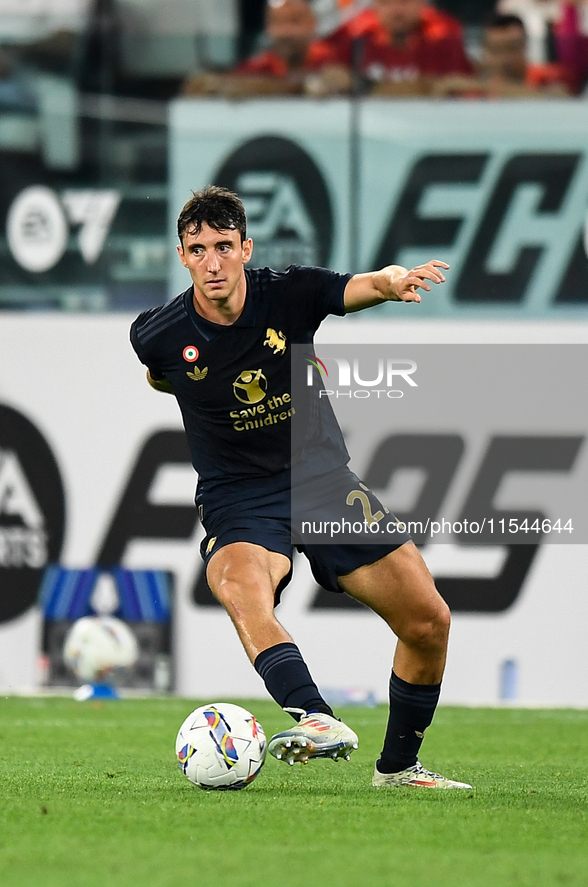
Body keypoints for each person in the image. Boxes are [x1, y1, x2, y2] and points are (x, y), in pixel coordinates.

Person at [130, 185, 472, 789]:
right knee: (238, 585)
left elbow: (355, 287)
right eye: (198, 249)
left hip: (320, 480)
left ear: (246, 248)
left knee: (429, 622)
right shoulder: (156, 333)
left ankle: (398, 768)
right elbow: (163, 375)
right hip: (239, 495)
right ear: (182, 256)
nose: (213, 263)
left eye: (224, 247)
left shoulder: (287, 294)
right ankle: (315, 717)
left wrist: (390, 282)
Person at [182, 0, 348, 98]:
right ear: (267, 27)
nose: (286, 32)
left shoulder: (335, 58)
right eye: (277, 22)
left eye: (295, 21)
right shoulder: (257, 66)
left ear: (313, 24)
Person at [318, 0, 474, 96]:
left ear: (422, 4)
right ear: (375, 6)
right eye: (387, 2)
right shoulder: (354, 43)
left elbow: (463, 90)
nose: (397, 10)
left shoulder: (444, 43)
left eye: (404, 2)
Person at [434, 12, 573, 96]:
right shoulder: (469, 90)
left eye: (512, 48)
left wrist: (483, 86)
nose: (505, 59)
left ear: (525, 47)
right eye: (497, 50)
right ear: (484, 51)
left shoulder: (547, 78)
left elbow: (557, 98)